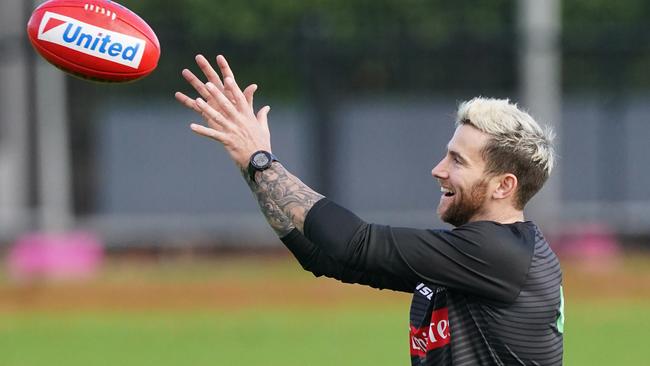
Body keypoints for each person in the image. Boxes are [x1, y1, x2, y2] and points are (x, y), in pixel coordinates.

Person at [175, 54, 564, 366]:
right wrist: (252, 167)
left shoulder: (502, 256)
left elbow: (353, 243)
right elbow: (327, 258)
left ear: (503, 185)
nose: (438, 169)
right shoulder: (471, 257)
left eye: (458, 161)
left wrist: (263, 162)